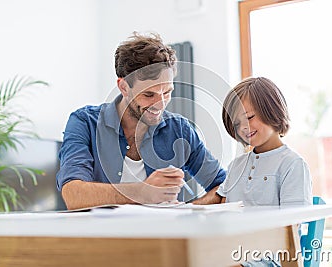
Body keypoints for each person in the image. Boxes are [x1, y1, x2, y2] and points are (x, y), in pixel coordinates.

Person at [57, 32, 226, 210]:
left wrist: (185, 210)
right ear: (123, 87)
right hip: (103, 236)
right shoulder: (85, 123)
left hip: (162, 236)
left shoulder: (180, 130)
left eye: (167, 92)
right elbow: (73, 194)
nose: (160, 103)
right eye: (148, 94)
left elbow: (223, 187)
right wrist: (143, 192)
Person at [214, 77, 313, 267]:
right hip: (233, 251)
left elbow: (292, 226)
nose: (244, 127)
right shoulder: (236, 165)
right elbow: (224, 212)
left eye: (249, 118)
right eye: (237, 124)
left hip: (271, 258)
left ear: (272, 110)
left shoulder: (292, 164)